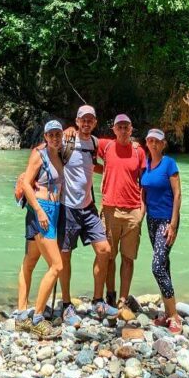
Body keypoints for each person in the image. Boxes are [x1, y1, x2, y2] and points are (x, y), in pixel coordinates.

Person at [58, 105, 119, 325]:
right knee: (65, 256)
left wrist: (118, 170)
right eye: (83, 120)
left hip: (88, 206)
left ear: (94, 123)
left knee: (104, 250)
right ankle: (66, 305)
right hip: (67, 207)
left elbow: (95, 164)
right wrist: (25, 179)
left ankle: (97, 301)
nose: (86, 123)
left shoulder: (94, 143)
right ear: (76, 121)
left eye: (90, 120)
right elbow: (44, 153)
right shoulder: (66, 140)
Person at [18, 120, 65, 338]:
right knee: (56, 266)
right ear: (45, 136)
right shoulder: (39, 154)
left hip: (52, 211)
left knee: (29, 263)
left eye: (58, 134)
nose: (55, 138)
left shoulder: (59, 153)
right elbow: (27, 183)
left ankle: (20, 316)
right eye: (51, 134)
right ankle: (37, 318)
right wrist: (39, 210)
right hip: (42, 212)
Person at [97, 114, 145, 309]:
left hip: (133, 210)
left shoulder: (139, 151)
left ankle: (123, 299)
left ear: (131, 129)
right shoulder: (105, 146)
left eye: (126, 127)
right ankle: (110, 294)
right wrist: (68, 131)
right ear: (114, 130)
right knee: (108, 255)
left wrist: (142, 209)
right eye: (120, 127)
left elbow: (145, 180)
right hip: (109, 209)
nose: (123, 130)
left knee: (128, 258)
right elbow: (81, 138)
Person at [141, 127, 182, 333]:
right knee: (163, 264)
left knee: (157, 266)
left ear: (163, 143)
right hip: (151, 220)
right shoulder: (146, 165)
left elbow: (177, 194)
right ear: (146, 143)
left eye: (157, 141)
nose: (153, 144)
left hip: (167, 220)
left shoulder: (169, 164)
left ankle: (174, 316)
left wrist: (173, 223)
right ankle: (167, 312)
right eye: (150, 140)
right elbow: (144, 196)